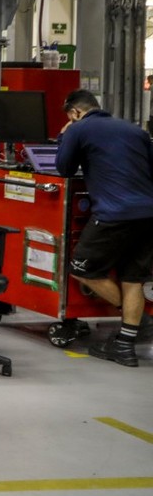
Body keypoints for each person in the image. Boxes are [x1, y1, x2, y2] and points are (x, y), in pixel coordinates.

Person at [55, 88, 153, 367]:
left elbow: (64, 169)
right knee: (133, 278)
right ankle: (125, 344)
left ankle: (139, 319)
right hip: (148, 214)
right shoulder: (135, 131)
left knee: (82, 269)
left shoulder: (78, 128)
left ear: (75, 112)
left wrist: (65, 136)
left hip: (114, 214)